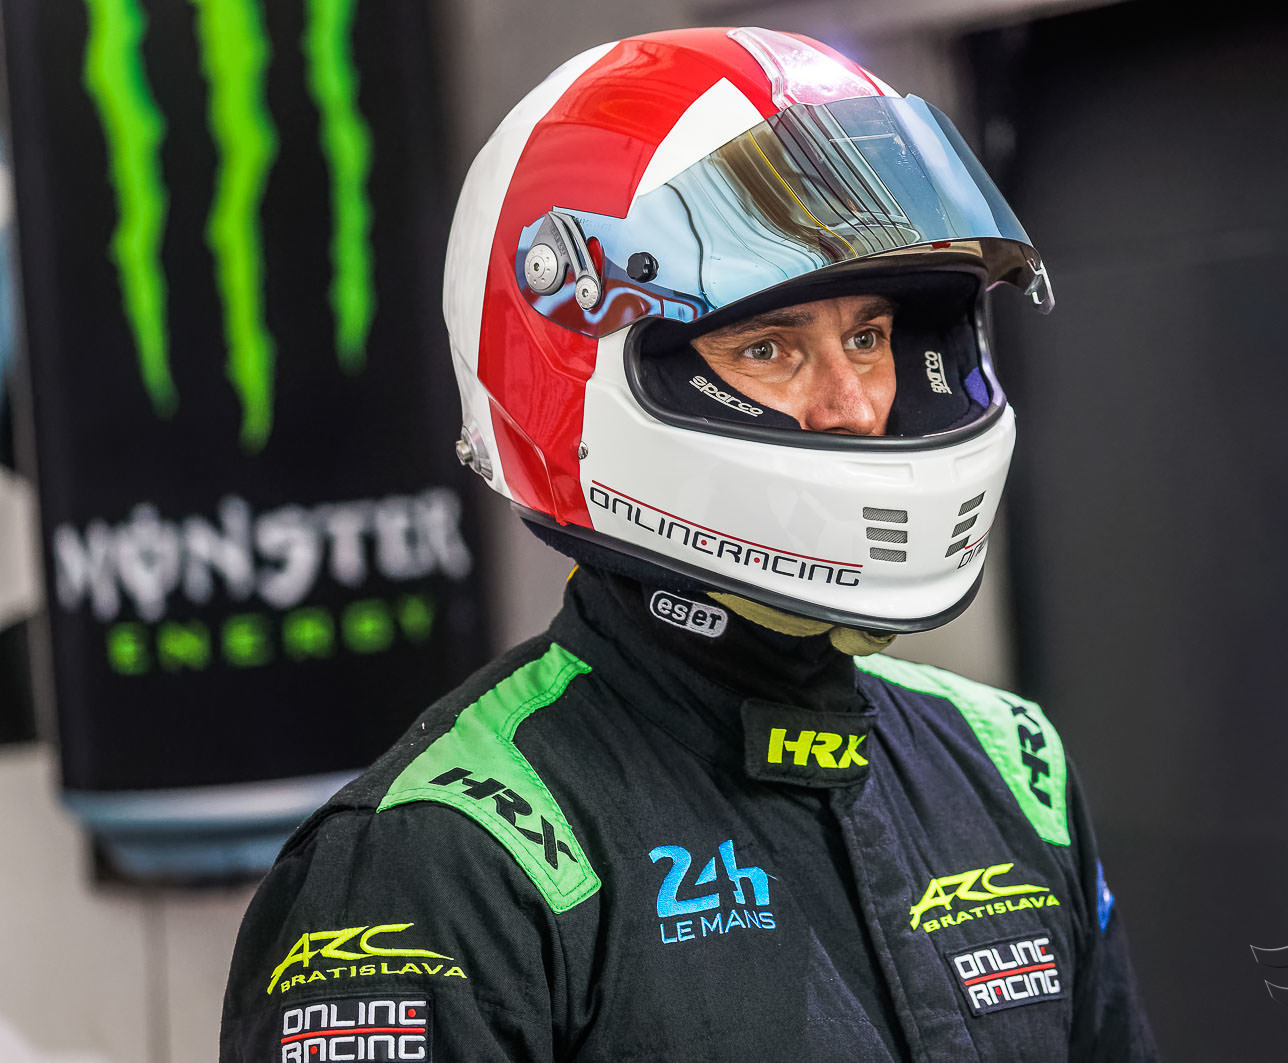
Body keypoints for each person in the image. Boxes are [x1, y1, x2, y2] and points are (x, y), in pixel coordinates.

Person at [220, 26, 1158, 1061]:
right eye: (767, 347)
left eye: (867, 336)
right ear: (589, 381)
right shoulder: (441, 857)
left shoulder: (1008, 762)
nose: (853, 406)